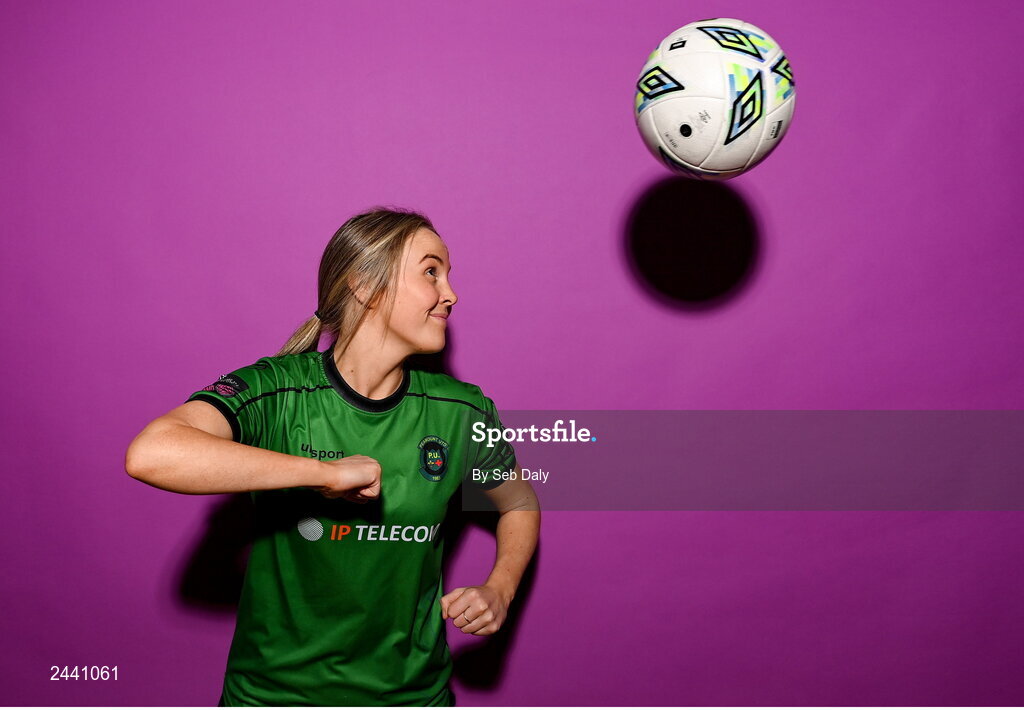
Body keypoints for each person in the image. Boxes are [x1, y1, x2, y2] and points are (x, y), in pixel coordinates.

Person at [125, 207, 541, 706]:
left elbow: (519, 502)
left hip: (410, 697)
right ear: (365, 284)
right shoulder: (277, 389)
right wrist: (319, 474)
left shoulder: (461, 409)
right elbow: (151, 453)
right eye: (431, 271)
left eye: (447, 275)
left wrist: (500, 587)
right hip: (274, 698)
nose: (450, 293)